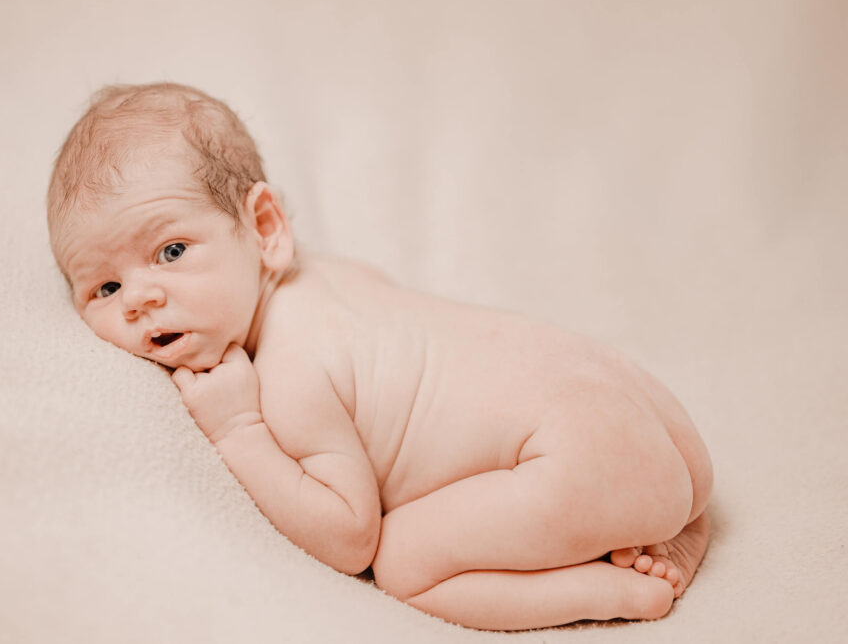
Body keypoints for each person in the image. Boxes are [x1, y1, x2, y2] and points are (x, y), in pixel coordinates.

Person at [47, 81, 713, 631]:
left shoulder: (292, 371)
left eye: (170, 251)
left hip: (574, 456)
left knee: (400, 562)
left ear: (265, 229)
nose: (138, 298)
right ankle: (681, 524)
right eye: (104, 287)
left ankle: (616, 593)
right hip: (652, 418)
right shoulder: (338, 277)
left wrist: (238, 430)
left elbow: (349, 536)